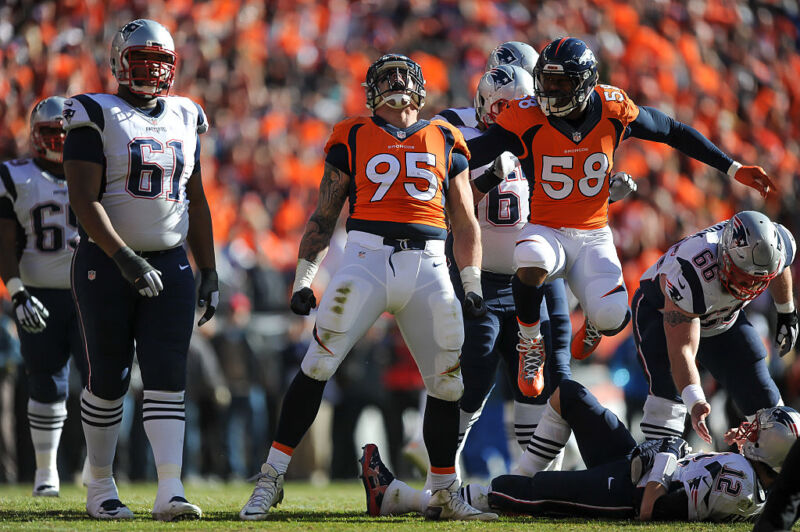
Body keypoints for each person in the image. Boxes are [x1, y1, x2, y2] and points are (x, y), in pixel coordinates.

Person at [239, 53, 495, 522]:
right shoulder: (353, 134)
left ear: (421, 89)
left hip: (430, 265)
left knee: (447, 382)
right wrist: (304, 280)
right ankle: (271, 478)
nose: (396, 85)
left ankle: (443, 491)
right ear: (370, 91)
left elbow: (465, 220)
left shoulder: (444, 136)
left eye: (404, 77)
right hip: (365, 258)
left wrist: (472, 282)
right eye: (386, 78)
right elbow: (324, 214)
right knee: (317, 363)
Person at [466, 37, 776, 398]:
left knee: (614, 317)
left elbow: (671, 130)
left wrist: (732, 167)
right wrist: (425, 155)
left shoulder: (613, 109)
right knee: (530, 257)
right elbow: (472, 152)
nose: (549, 92)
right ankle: (530, 342)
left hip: (593, 233)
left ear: (585, 84)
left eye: (560, 83)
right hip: (545, 228)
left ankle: (597, 324)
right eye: (545, 81)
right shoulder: (526, 115)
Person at [62, 19, 218, 521]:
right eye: (140, 59)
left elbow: (195, 197)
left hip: (171, 261)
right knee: (108, 375)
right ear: (117, 62)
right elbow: (83, 199)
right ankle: (100, 486)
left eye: (160, 61)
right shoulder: (93, 111)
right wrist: (123, 258)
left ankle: (170, 489)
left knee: (169, 375)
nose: (151, 70)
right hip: (106, 262)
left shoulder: (186, 114)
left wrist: (209, 267)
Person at [360, 379, 800, 522]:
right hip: (638, 465)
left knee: (519, 492)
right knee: (569, 394)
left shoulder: (738, 481)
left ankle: (396, 498)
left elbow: (652, 507)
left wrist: (664, 458)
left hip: (625, 493)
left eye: (757, 429)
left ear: (769, 448)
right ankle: (524, 470)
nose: (747, 428)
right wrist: (662, 455)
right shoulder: (746, 475)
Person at [434, 62, 574, 469]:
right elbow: (447, 211)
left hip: (526, 276)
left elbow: (561, 202)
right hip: (475, 271)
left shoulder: (542, 136)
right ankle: (444, 468)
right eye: (508, 107)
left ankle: (532, 478)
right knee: (474, 370)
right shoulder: (456, 135)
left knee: (535, 377)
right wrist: (487, 180)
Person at [632, 211, 796, 443]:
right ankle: (655, 467)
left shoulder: (777, 243)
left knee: (772, 416)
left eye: (758, 281)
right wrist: (695, 400)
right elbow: (682, 351)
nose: (749, 287)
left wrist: (787, 311)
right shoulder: (691, 272)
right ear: (725, 258)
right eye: (744, 278)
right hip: (662, 314)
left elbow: (780, 267)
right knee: (668, 407)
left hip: (722, 318)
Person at [0, 96, 86, 497]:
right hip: (39, 295)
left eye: (66, 134)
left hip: (90, 294)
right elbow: (3, 242)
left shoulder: (96, 172)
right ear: (36, 136)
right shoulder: (15, 175)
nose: (60, 142)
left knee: (101, 382)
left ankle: (95, 468)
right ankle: (46, 471)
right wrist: (17, 292)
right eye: (51, 133)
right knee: (45, 381)